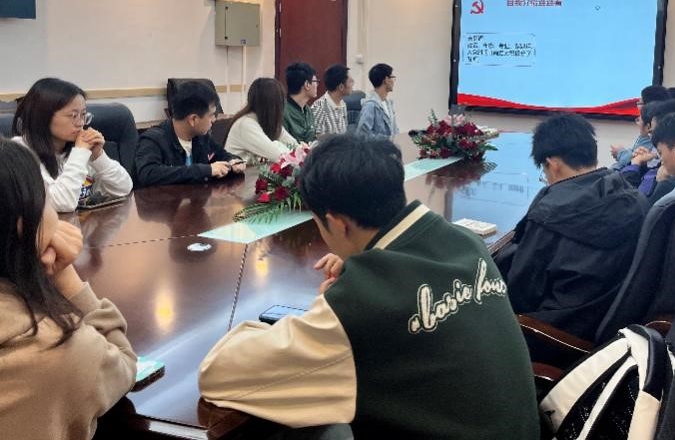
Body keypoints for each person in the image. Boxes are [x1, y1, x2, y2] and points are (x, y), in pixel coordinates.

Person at [198, 135, 540, 439]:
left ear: (336, 223)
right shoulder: (465, 242)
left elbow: (218, 373)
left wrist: (331, 308)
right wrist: (364, 268)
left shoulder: (363, 302)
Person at [0, 137, 137, 439]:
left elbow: (123, 184)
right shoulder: (55, 350)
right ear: (25, 225)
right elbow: (122, 364)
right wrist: (65, 275)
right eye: (46, 198)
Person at [496, 114, 647, 339]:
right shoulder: (632, 195)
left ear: (552, 164)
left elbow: (520, 293)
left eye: (543, 171)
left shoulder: (550, 214)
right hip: (605, 328)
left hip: (549, 333)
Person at [12, 78, 132, 213]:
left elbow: (123, 188)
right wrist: (80, 153)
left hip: (80, 223)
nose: (81, 123)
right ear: (43, 116)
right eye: (73, 116)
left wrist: (98, 156)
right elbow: (62, 203)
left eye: (83, 115)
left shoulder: (77, 148)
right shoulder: (19, 152)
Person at [135, 80, 245, 187]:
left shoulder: (201, 137)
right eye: (211, 115)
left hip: (197, 198)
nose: (214, 120)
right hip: (165, 199)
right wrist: (205, 170)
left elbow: (221, 155)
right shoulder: (152, 140)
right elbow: (148, 174)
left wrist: (233, 161)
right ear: (193, 119)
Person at [619, 98, 675, 198]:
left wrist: (634, 166)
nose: (652, 139)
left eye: (653, 132)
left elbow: (627, 203)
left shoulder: (668, 183)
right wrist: (642, 167)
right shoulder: (667, 168)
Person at [224, 78, 297, 164]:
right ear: (273, 105)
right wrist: (277, 144)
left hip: (255, 172)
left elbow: (296, 147)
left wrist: (276, 145)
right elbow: (278, 156)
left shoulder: (269, 122)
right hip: (239, 172)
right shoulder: (245, 124)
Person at [610, 84, 671, 169]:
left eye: (639, 103)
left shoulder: (653, 130)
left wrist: (620, 153)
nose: (637, 106)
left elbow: (632, 160)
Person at [356, 63, 398, 138]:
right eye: (392, 77)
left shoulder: (389, 103)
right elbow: (362, 135)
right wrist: (386, 139)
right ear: (386, 80)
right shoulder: (370, 105)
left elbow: (395, 131)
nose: (394, 81)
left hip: (391, 145)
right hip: (379, 145)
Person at [311, 63, 353, 136]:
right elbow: (317, 138)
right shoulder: (319, 107)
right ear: (341, 87)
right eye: (350, 81)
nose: (353, 84)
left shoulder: (342, 103)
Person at [283, 62, 318, 143]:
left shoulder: (308, 110)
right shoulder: (282, 112)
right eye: (316, 81)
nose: (317, 85)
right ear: (307, 85)